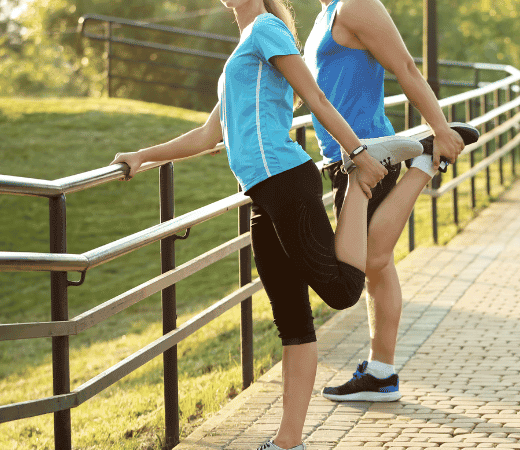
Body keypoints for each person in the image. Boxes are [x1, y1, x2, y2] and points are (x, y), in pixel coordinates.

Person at [110, 0, 421, 448]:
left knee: (342, 291)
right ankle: (287, 442)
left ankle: (374, 180)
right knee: (292, 322)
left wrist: (357, 154)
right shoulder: (242, 48)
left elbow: (314, 95)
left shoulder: (266, 29)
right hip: (260, 194)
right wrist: (143, 156)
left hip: (286, 180)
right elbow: (207, 136)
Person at [303, 0, 465, 403]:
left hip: (369, 155)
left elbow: (406, 67)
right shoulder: (324, 15)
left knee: (368, 260)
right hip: (343, 157)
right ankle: (381, 372)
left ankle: (424, 162)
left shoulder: (357, 5)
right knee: (380, 265)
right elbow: (316, 88)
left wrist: (440, 128)